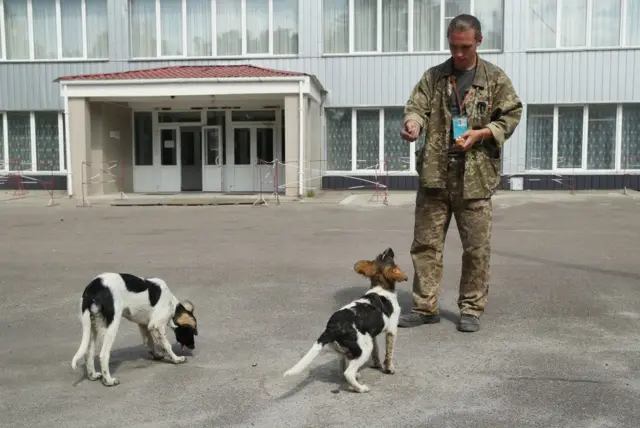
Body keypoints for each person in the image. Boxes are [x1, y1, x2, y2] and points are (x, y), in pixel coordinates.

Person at [398, 14, 523, 333]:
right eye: (453, 47)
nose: (458, 54)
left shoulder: (494, 79)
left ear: (479, 42)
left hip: (476, 179)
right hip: (435, 175)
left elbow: (511, 114)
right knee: (425, 245)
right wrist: (413, 123)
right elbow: (416, 106)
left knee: (476, 248)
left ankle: (471, 308)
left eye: (465, 47)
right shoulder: (434, 77)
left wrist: (481, 133)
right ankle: (425, 306)